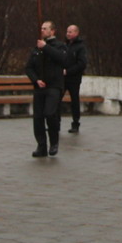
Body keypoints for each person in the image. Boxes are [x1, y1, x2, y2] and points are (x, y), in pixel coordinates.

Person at [25, 19, 68, 157]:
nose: (42, 30)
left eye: (45, 28)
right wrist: (36, 80)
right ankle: (41, 146)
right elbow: (29, 67)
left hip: (54, 86)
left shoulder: (60, 46)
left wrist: (46, 48)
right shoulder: (37, 48)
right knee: (38, 118)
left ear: (52, 31)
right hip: (40, 87)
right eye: (42, 28)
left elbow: (63, 59)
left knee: (50, 113)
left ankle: (54, 142)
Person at [63, 24, 88, 134]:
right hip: (63, 78)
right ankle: (55, 123)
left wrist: (68, 71)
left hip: (74, 79)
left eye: (70, 32)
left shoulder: (80, 47)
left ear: (76, 33)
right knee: (56, 99)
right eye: (67, 32)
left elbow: (82, 64)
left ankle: (75, 123)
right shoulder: (65, 45)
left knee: (74, 100)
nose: (68, 34)